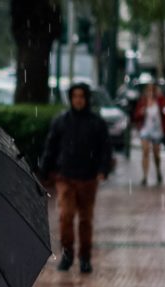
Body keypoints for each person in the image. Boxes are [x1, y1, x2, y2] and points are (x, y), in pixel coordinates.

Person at [40, 83, 112, 274]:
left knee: (85, 220)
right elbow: (51, 147)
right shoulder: (61, 122)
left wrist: (103, 169)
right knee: (65, 217)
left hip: (88, 179)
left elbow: (105, 148)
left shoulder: (96, 123)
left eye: (81, 96)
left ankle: (85, 258)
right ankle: (67, 254)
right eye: (75, 96)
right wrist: (45, 170)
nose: (78, 100)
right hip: (66, 177)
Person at [132, 82, 165, 186]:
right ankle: (145, 176)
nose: (150, 92)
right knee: (145, 151)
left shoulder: (160, 100)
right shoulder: (142, 101)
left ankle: (158, 171)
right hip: (145, 129)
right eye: (148, 90)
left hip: (157, 130)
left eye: (152, 90)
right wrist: (140, 113)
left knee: (156, 154)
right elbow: (135, 115)